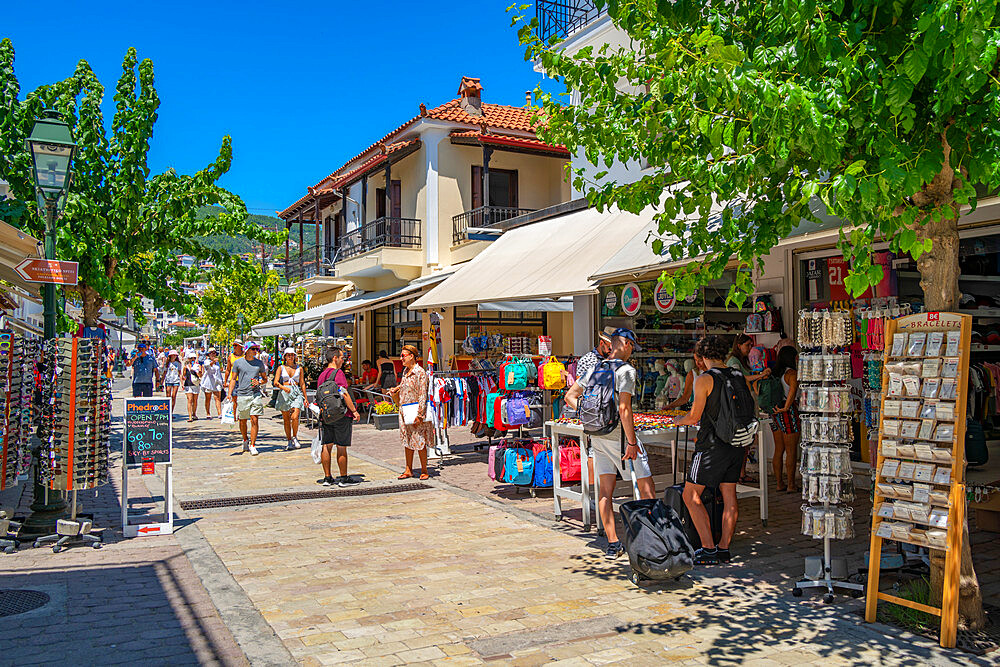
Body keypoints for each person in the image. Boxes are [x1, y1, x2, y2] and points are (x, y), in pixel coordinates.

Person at [564, 328, 655, 560]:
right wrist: (632, 442)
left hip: (598, 436)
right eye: (632, 345)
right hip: (620, 438)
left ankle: (613, 543)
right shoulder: (626, 371)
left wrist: (588, 415)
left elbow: (570, 396)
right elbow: (624, 409)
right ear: (623, 344)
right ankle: (652, 539)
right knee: (646, 489)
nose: (632, 350)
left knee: (605, 491)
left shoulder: (595, 368)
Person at [673, 335, 748, 565]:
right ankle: (724, 547)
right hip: (736, 443)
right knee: (729, 495)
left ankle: (708, 548)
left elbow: (695, 416)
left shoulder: (704, 379)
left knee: (690, 494)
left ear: (703, 357)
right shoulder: (737, 375)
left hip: (711, 445)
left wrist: (679, 420)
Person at [316, 347, 361, 486]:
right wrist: (353, 410)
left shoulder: (322, 375)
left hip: (326, 415)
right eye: (342, 357)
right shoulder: (338, 373)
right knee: (341, 447)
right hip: (341, 414)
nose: (343, 360)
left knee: (326, 445)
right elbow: (344, 393)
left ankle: (327, 477)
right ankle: (343, 478)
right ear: (334, 358)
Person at [388, 345, 434, 480]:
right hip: (404, 410)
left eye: (403, 355)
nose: (401, 358)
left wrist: (420, 414)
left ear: (411, 356)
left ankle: (424, 470)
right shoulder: (405, 371)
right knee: (407, 439)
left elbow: (422, 394)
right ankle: (408, 469)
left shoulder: (420, 372)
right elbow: (403, 385)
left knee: (419, 440)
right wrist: (395, 389)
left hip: (415, 411)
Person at [768, 345, 801, 492]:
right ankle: (791, 484)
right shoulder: (791, 374)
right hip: (788, 411)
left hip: (775, 411)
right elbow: (792, 391)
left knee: (778, 449)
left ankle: (779, 483)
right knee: (791, 450)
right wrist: (787, 407)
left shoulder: (775, 373)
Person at [227, 341, 269, 456]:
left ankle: (253, 445)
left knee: (254, 419)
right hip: (242, 394)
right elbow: (233, 379)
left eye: (256, 349)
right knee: (242, 420)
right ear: (247, 350)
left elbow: (265, 379)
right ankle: (245, 439)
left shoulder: (259, 363)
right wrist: (229, 393)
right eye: (253, 349)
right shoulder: (238, 363)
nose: (255, 351)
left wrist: (260, 382)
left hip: (255, 394)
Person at [274, 348, 308, 451]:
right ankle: (289, 439)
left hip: (296, 392)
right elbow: (276, 382)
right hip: (285, 392)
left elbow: (302, 383)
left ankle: (295, 436)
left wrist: (305, 398)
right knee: (286, 419)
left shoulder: (299, 368)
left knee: (295, 416)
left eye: (292, 355)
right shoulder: (281, 368)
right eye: (288, 355)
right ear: (284, 357)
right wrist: (283, 388)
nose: (290, 357)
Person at [201, 348, 224, 417]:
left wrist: (221, 381)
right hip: (208, 382)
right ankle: (208, 413)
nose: (213, 354)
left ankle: (219, 413)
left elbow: (219, 371)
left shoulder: (217, 362)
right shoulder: (206, 361)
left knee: (217, 398)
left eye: (214, 353)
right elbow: (208, 367)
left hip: (216, 382)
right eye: (211, 353)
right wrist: (213, 361)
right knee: (208, 398)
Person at [181, 350, 203, 422]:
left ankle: (194, 414)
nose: (192, 359)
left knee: (195, 400)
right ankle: (190, 416)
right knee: (189, 400)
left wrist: (198, 372)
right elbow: (183, 375)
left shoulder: (198, 366)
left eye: (194, 358)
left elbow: (200, 375)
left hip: (195, 384)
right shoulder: (185, 367)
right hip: (188, 384)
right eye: (191, 358)